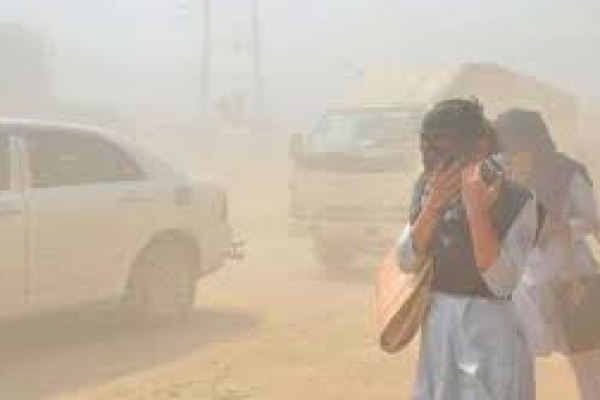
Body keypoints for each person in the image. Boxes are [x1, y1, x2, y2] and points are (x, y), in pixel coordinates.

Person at [396, 98, 538, 399]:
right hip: (440, 327)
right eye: (428, 150)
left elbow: (501, 283)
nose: (436, 163)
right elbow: (406, 260)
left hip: (492, 332)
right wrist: (432, 206)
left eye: (445, 150)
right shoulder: (427, 189)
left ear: (481, 146)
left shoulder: (518, 200)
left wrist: (477, 213)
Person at [495, 108, 600, 400]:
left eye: (515, 144)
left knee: (587, 363)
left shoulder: (569, 172)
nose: (510, 153)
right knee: (515, 357)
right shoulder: (503, 176)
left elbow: (591, 221)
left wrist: (561, 228)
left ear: (533, 140)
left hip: (574, 278)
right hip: (527, 283)